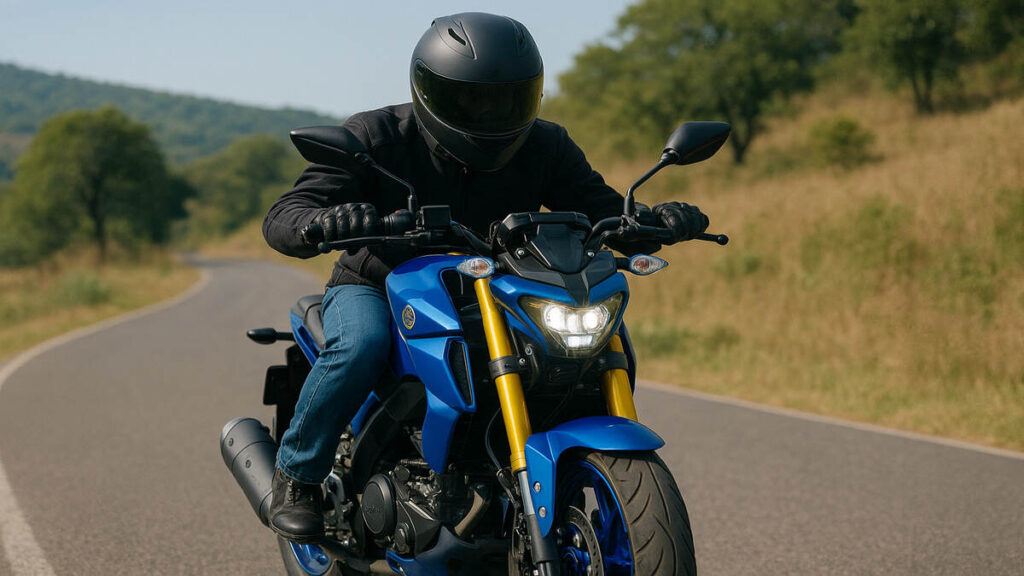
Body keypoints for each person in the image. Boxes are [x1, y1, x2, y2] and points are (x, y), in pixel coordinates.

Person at [261, 12, 710, 543]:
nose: (488, 110)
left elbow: (600, 211)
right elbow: (285, 215)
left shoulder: (546, 144)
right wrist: (325, 222)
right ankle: (298, 476)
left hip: (502, 286)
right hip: (379, 282)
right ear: (429, 90)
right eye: (470, 97)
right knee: (362, 344)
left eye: (505, 97)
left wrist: (653, 223)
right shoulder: (375, 137)